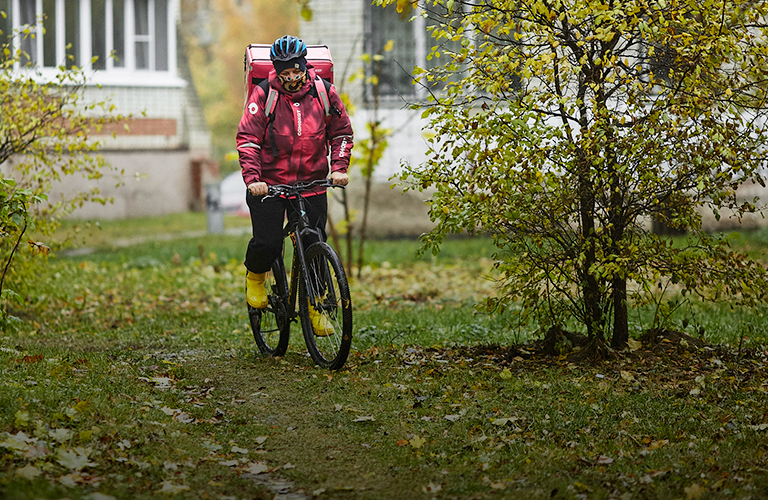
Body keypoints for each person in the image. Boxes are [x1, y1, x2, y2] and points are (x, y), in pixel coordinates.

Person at [236, 35, 353, 335]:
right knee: (268, 242)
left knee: (314, 242)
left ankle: (316, 308)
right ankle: (256, 275)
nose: (291, 78)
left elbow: (341, 133)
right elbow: (248, 140)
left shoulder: (324, 93)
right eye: (284, 72)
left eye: (296, 71)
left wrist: (338, 169)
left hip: (311, 183)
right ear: (276, 69)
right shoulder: (264, 96)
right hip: (269, 185)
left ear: (305, 66)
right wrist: (254, 180)